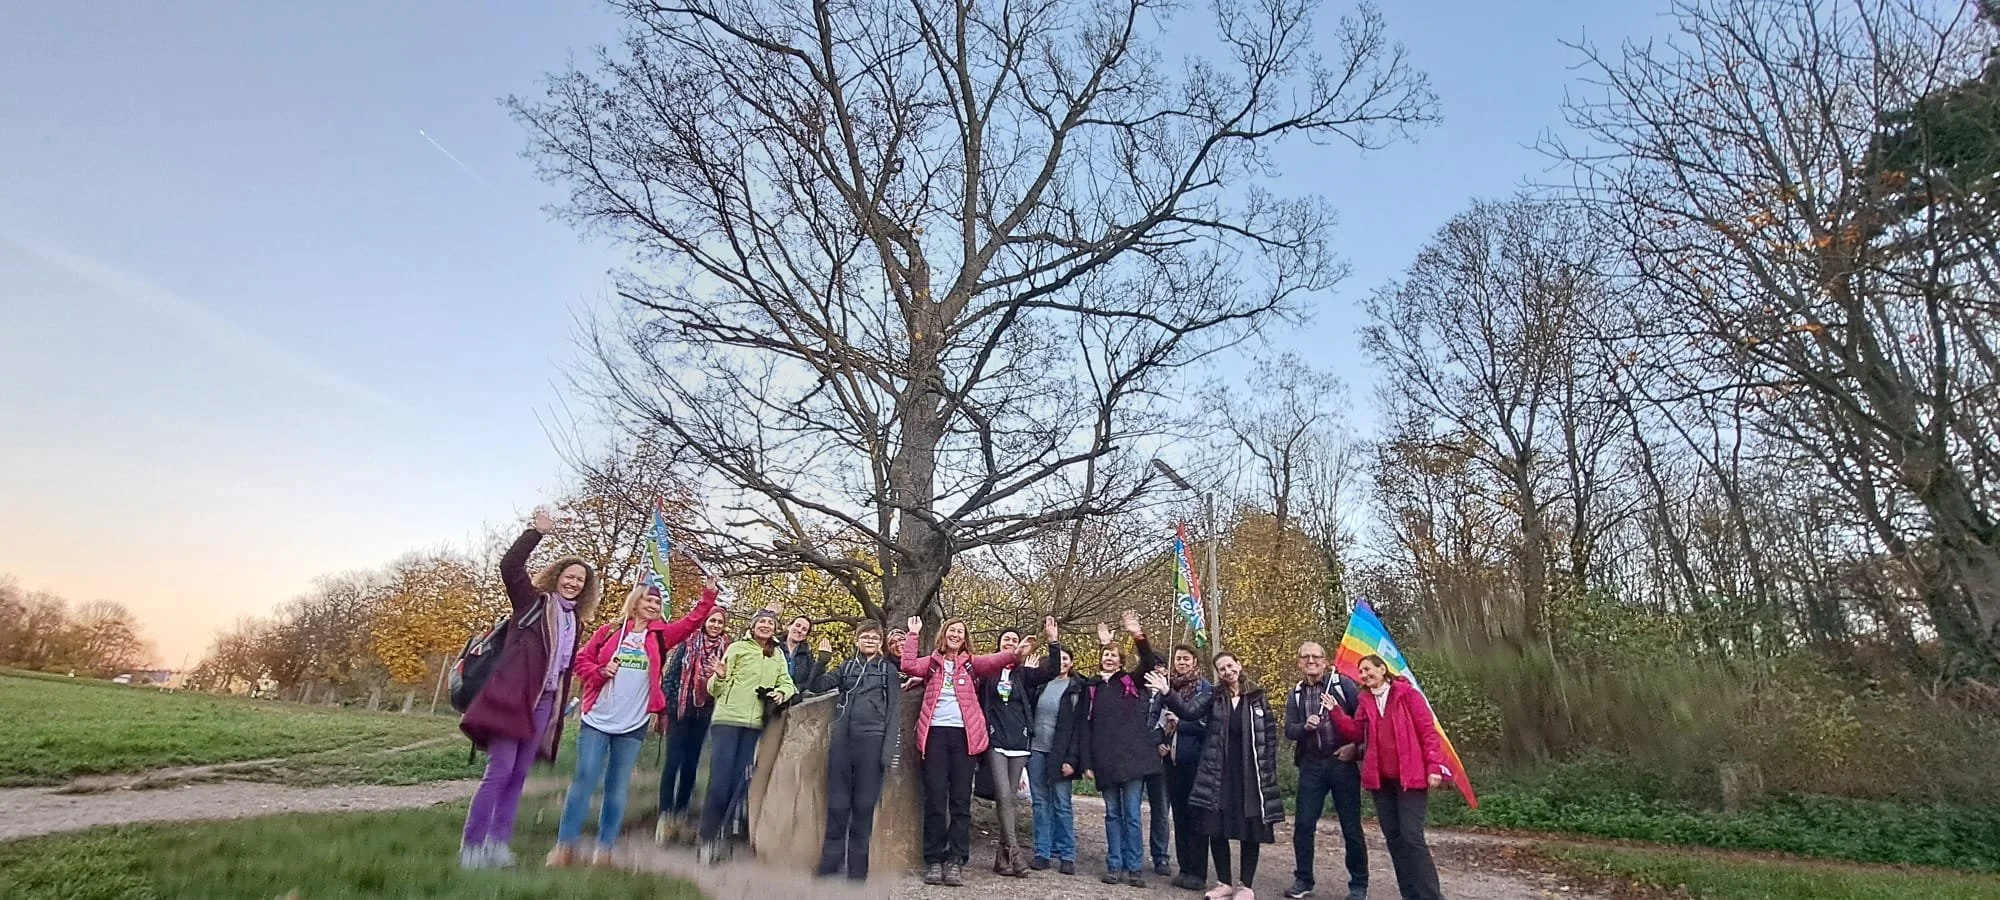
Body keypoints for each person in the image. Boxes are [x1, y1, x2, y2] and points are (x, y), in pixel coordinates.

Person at [458, 508, 600, 869]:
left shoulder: (574, 621)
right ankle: (472, 847)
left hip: (544, 704)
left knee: (519, 775)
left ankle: (497, 845)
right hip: (513, 699)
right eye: (569, 576)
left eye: (580, 580)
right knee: (499, 772)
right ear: (557, 576)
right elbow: (510, 566)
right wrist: (536, 533)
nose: (573, 583)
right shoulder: (532, 603)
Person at [549, 575, 719, 867]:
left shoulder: (661, 636)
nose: (653, 605)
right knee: (585, 778)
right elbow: (581, 661)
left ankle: (605, 849)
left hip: (632, 724)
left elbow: (692, 622)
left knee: (617, 787)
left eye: (657, 602)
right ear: (635, 602)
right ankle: (565, 846)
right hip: (597, 718)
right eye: (648, 600)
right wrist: (601, 671)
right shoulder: (610, 631)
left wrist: (709, 595)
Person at [900, 615, 1022, 887]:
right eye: (952, 630)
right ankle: (934, 859)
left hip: (964, 737)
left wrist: (1017, 651)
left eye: (960, 632)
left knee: (960, 800)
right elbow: (908, 665)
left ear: (965, 638)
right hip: (935, 735)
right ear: (944, 635)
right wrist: (913, 634)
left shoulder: (971, 663)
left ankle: (956, 859)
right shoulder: (932, 663)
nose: (955, 635)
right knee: (935, 798)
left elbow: (996, 661)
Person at [1151, 652, 1282, 900]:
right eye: (1222, 669)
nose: (1227, 671)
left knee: (1249, 830)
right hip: (1220, 771)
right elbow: (1189, 711)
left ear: (1238, 665)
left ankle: (1246, 885)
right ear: (1218, 673)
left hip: (1249, 773)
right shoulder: (1214, 694)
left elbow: (1269, 734)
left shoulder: (1257, 695)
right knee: (1217, 827)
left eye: (1230, 666)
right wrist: (1167, 693)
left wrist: (1268, 769)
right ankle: (1224, 882)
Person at [695, 608, 796, 864]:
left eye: (770, 623)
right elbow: (714, 688)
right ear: (752, 626)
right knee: (720, 783)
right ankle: (707, 838)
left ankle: (724, 838)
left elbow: (788, 683)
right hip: (728, 720)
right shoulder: (737, 648)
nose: (766, 626)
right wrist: (719, 676)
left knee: (739, 784)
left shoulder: (777, 655)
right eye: (761, 622)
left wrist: (781, 693)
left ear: (775, 629)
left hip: (754, 725)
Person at [1354, 654, 1450, 900]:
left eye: (1368, 669)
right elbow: (1354, 731)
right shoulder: (1365, 700)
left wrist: (1435, 767)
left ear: (1382, 669)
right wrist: (1334, 711)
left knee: (1412, 837)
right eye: (1361, 672)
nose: (1364, 675)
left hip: (1411, 778)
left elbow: (1428, 732)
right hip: (1381, 782)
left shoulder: (1408, 695)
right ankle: (1410, 895)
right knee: (1394, 839)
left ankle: (1431, 896)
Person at [1078, 610, 1162, 888]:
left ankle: (1134, 868)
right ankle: (1114, 865)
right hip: (1105, 761)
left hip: (1133, 760)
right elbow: (1085, 728)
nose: (1109, 658)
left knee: (1133, 816)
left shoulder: (1130, 682)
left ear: (1121, 661)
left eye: (1114, 655)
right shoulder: (1092, 687)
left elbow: (1148, 662)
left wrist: (1137, 634)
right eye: (1106, 654)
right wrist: (1087, 763)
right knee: (1113, 815)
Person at [815, 620, 903, 880]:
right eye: (865, 637)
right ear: (857, 640)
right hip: (842, 741)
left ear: (880, 642)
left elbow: (894, 712)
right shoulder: (846, 667)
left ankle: (857, 869)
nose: (869, 641)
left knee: (864, 806)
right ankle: (830, 863)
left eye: (874, 637)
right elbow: (818, 685)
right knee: (837, 804)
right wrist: (822, 660)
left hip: (872, 741)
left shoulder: (887, 671)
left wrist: (888, 752)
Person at [1283, 642, 1367, 900]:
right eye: (1305, 657)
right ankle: (1303, 880)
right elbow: (1289, 730)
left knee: (1351, 827)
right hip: (1312, 765)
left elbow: (1364, 723)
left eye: (1316, 656)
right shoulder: (1296, 693)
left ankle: (1359, 884)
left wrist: (1355, 748)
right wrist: (1304, 727)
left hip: (1342, 763)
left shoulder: (1343, 686)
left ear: (1326, 661)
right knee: (1304, 824)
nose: (1311, 661)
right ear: (1299, 662)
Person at [980, 618, 1063, 876]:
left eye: (1014, 640)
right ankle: (1015, 853)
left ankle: (1002, 858)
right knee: (1003, 795)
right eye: (1006, 639)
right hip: (995, 740)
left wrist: (1053, 641)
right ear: (999, 645)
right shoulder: (988, 671)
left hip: (1018, 740)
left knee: (1011, 798)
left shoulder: (1024, 674)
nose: (1010, 643)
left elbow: (1052, 670)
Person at [656, 604, 730, 843]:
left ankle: (681, 812)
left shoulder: (727, 649)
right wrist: (668, 706)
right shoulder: (688, 643)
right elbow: (671, 676)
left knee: (691, 765)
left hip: (705, 713)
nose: (715, 625)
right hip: (680, 710)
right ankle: (664, 815)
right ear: (705, 622)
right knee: (673, 763)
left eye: (719, 622)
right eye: (712, 620)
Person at [1027, 634, 1086, 876]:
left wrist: (1072, 759)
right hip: (1037, 750)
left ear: (1071, 663)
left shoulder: (1076, 689)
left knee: (1062, 803)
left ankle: (1067, 854)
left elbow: (1079, 728)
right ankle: (1042, 851)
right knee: (1040, 802)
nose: (1061, 662)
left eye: (1065, 658)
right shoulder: (1041, 685)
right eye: (1058, 658)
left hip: (1061, 753)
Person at [1160, 644, 1215, 891]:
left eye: (1186, 659)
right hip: (1172, 761)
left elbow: (1207, 725)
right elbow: (1155, 717)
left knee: (1196, 819)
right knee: (1179, 817)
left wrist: (1181, 723)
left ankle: (1198, 872)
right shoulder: (1169, 687)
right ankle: (1184, 868)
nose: (1181, 662)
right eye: (1178, 658)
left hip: (1195, 761)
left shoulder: (1205, 689)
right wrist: (1159, 741)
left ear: (1194, 662)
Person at [781, 614, 836, 696]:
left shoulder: (807, 655)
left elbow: (812, 682)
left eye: (804, 629)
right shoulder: (774, 647)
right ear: (789, 626)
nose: (799, 630)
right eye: (797, 625)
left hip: (795, 697)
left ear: (806, 636)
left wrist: (821, 661)